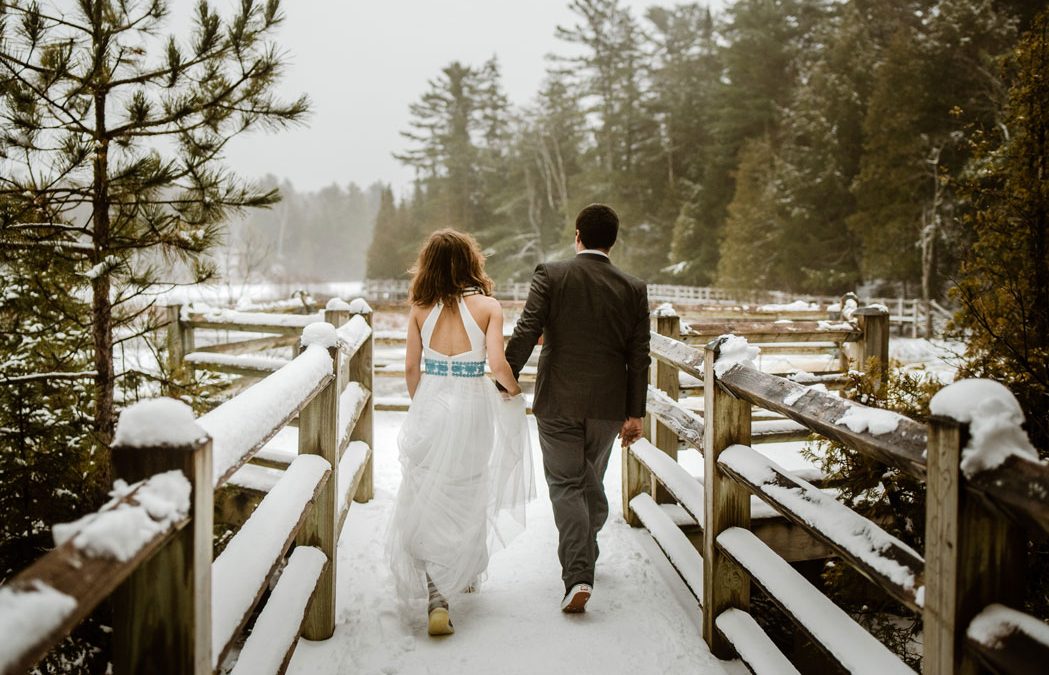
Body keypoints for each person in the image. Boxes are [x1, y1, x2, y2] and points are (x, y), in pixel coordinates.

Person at [387, 229, 535, 637]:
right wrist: (513, 391)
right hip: (472, 403)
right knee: (468, 487)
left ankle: (438, 593)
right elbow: (497, 365)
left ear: (428, 264)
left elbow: (411, 370)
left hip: (432, 400)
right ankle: (462, 570)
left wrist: (425, 404)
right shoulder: (488, 306)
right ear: (471, 263)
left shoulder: (419, 309)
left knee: (430, 492)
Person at [504, 203, 649, 613]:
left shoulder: (551, 274)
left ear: (577, 236)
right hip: (608, 405)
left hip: (558, 401)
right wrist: (635, 412)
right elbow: (640, 356)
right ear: (613, 241)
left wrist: (505, 377)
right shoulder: (633, 288)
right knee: (588, 485)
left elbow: (527, 328)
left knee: (568, 487)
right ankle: (584, 552)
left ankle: (578, 575)